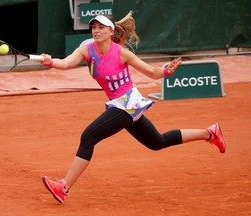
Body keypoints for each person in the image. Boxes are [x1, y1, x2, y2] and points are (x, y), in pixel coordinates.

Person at [39, 11, 226, 204]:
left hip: (128, 103)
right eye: (94, 27)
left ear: (111, 31)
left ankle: (64, 187)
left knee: (89, 136)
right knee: (157, 142)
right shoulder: (86, 50)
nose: (96, 31)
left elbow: (152, 72)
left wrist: (165, 71)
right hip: (119, 105)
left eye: (101, 27)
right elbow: (67, 62)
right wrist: (50, 61)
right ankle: (210, 134)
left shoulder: (122, 53)